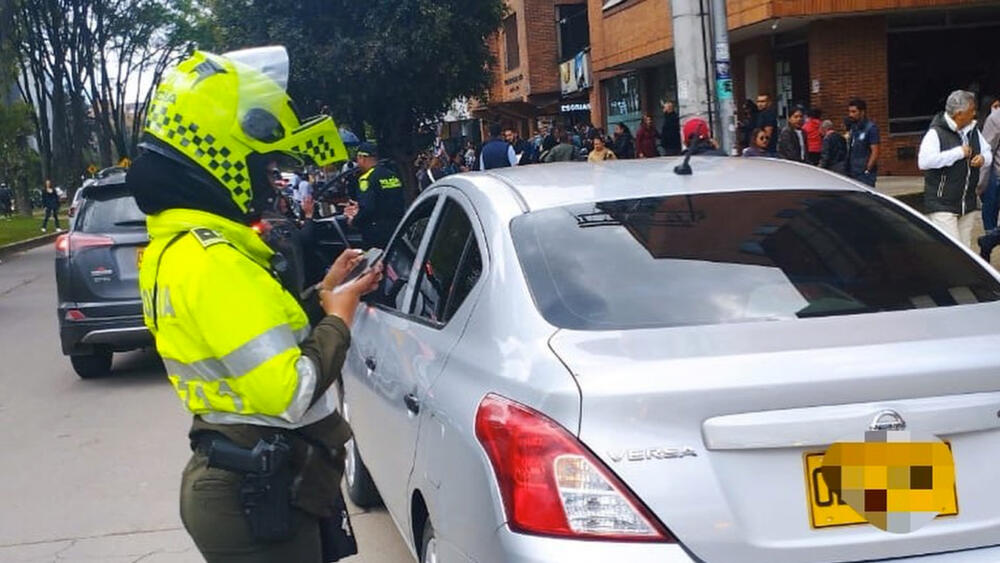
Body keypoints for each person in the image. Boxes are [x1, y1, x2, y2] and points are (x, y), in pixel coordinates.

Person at [127, 46, 370, 562]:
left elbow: (251, 335)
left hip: (254, 476)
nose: (270, 184)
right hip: (255, 493)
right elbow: (290, 391)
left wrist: (321, 293)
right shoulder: (214, 263)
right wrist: (338, 319)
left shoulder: (189, 248)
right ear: (219, 162)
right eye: (262, 168)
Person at [918, 90, 992, 251]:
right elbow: (924, 162)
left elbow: (988, 152)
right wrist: (957, 153)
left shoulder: (972, 129)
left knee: (965, 252)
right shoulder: (935, 133)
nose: (975, 114)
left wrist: (983, 159)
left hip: (967, 202)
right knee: (953, 251)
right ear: (959, 114)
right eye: (971, 111)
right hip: (942, 203)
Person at [344, 142, 405, 249]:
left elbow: (367, 209)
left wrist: (353, 220)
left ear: (362, 158)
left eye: (357, 159)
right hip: (398, 227)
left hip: (376, 233)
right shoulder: (392, 175)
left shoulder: (366, 179)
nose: (357, 163)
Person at [976, 96, 1000, 233]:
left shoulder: (995, 118)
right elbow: (986, 152)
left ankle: (987, 244)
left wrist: (979, 185)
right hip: (996, 177)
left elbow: (986, 150)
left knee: (991, 224)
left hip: (996, 178)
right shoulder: (996, 118)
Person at [845, 98, 881, 187]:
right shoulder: (854, 128)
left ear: (862, 112)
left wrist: (868, 169)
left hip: (864, 173)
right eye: (849, 112)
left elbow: (875, 151)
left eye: (854, 112)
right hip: (852, 171)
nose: (851, 115)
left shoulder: (871, 128)